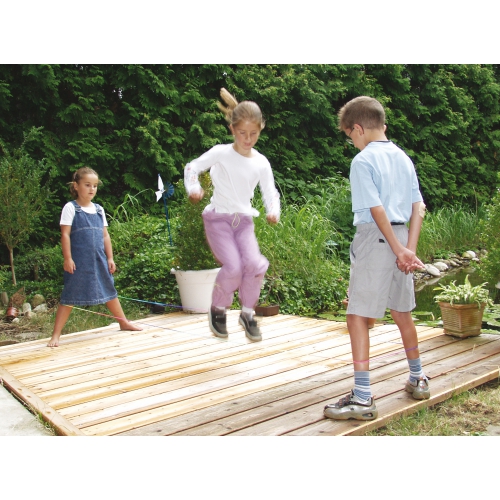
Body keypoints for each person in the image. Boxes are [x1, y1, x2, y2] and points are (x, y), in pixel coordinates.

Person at [324, 96, 429, 421]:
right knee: (402, 312)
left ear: (357, 128)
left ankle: (363, 396)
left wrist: (398, 251)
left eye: (350, 137)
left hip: (377, 239)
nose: (352, 143)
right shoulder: (403, 158)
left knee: (357, 315)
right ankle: (418, 378)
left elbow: (376, 209)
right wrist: (407, 249)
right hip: (402, 238)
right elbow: (418, 207)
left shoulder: (363, 161)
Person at [184, 88, 280, 342]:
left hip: (243, 222)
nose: (248, 139)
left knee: (255, 265)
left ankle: (247, 313)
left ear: (260, 130)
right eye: (242, 133)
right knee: (234, 267)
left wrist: (273, 211)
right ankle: (218, 308)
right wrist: (193, 188)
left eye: (253, 133)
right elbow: (192, 167)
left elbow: (270, 192)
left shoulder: (261, 162)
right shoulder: (221, 152)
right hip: (219, 220)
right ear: (232, 129)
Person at [47, 167, 141, 347]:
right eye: (87, 185)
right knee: (69, 295)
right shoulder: (71, 208)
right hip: (78, 261)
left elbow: (105, 236)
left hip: (99, 259)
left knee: (109, 290)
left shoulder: (99, 209)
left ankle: (123, 322)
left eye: (95, 185)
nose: (92, 189)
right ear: (76, 186)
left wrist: (110, 258)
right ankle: (56, 335)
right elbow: (65, 234)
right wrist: (68, 258)